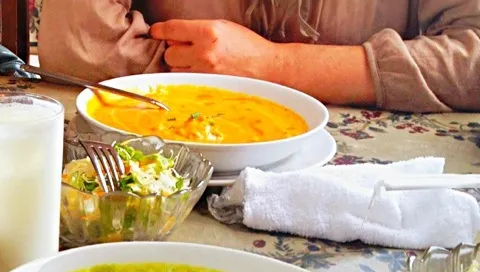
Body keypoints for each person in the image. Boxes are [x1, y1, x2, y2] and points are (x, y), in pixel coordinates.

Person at [37, 0, 480, 112]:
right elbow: (78, 44)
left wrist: (272, 66)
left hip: (375, 188)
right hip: (167, 158)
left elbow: (471, 58)